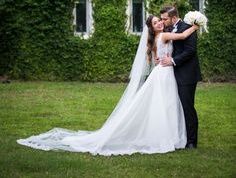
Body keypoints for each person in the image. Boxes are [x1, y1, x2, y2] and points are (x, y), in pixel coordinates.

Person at [17, 16, 198, 155]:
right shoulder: (164, 35)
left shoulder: (155, 39)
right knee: (166, 105)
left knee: (163, 105)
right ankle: (168, 138)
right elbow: (182, 35)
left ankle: (167, 136)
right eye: (156, 22)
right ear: (151, 27)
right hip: (164, 73)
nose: (160, 23)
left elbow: (160, 52)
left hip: (162, 71)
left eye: (160, 21)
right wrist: (196, 25)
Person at [159, 5, 202, 149]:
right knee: (174, 107)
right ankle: (178, 137)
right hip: (171, 75)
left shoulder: (188, 28)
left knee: (187, 107)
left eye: (165, 19)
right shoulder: (168, 28)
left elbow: (190, 50)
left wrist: (172, 61)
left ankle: (191, 141)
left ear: (174, 18)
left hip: (187, 74)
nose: (162, 21)